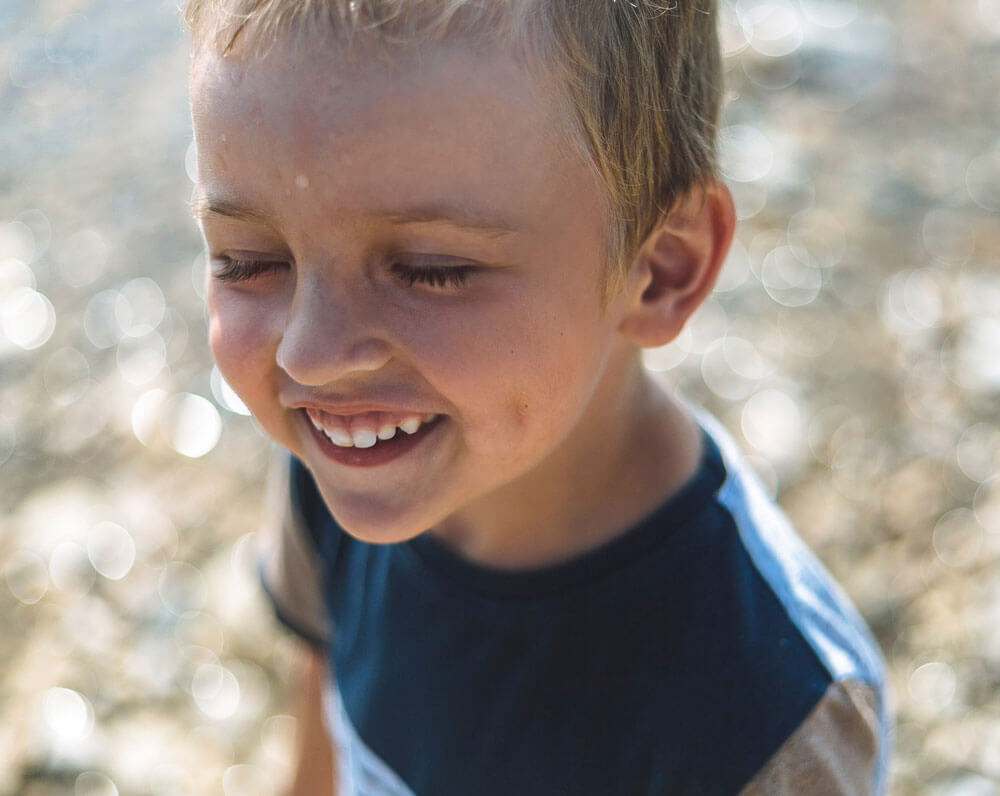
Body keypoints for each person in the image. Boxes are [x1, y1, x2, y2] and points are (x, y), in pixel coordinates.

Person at [185, 1, 888, 793]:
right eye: (247, 260)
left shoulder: (770, 718)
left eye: (429, 268)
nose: (309, 357)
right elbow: (319, 716)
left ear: (660, 270)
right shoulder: (343, 465)